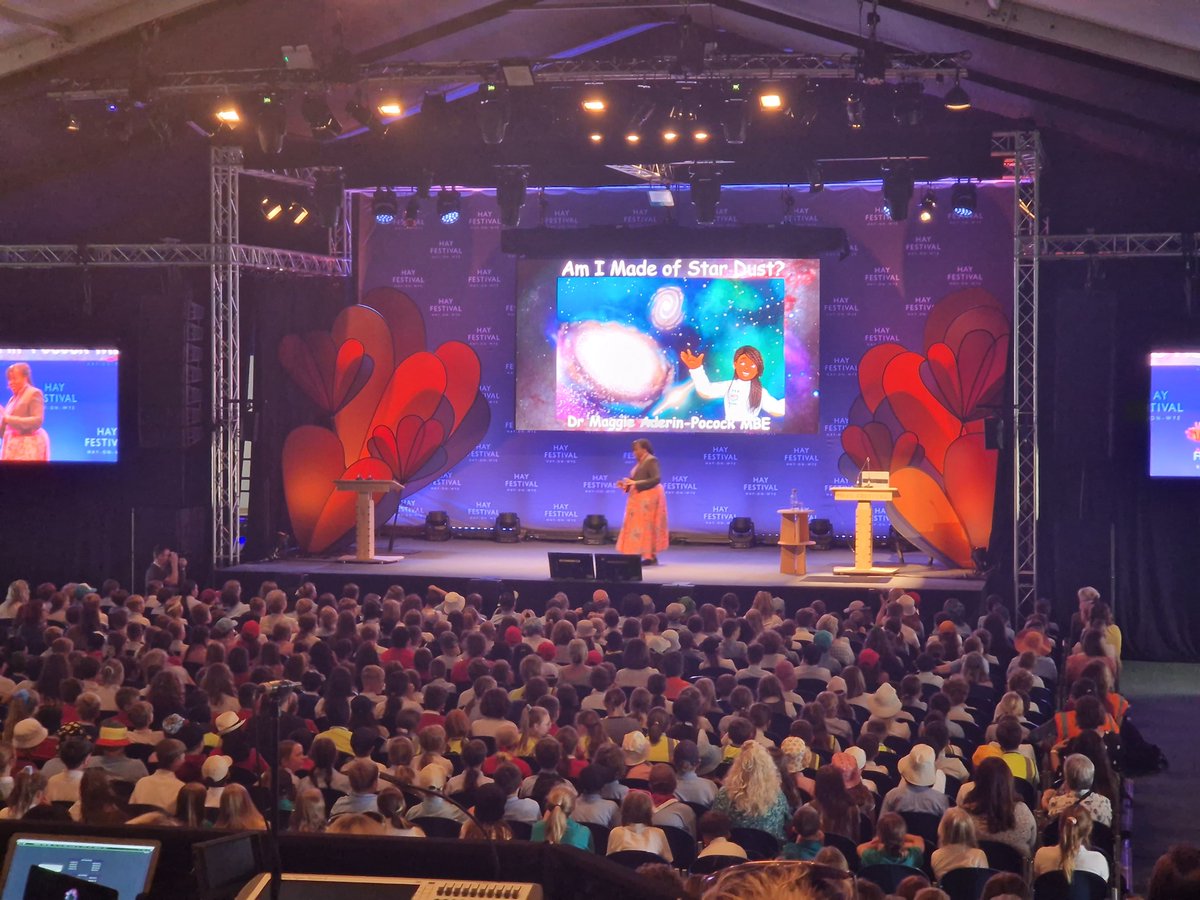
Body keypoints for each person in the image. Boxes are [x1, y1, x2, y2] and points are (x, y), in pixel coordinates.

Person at [710, 741, 790, 843]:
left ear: (737, 766)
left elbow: (715, 824)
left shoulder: (724, 793)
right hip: (769, 852)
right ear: (768, 767)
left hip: (733, 850)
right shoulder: (777, 795)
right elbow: (787, 824)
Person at [680, 344, 784, 421]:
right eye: (743, 362)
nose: (747, 367)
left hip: (752, 437)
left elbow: (776, 409)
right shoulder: (729, 386)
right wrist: (696, 369)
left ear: (758, 369)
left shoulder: (760, 391)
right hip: (730, 433)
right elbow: (706, 391)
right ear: (735, 364)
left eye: (752, 365)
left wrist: (797, 399)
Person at [615, 438, 668, 565]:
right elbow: (635, 480)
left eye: (636, 449)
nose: (634, 452)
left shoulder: (651, 460)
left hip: (648, 501)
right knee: (636, 528)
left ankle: (649, 556)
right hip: (638, 500)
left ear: (644, 449)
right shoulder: (641, 462)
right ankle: (640, 554)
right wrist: (626, 484)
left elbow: (656, 479)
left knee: (645, 527)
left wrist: (635, 483)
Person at [1033, 806, 1109, 884]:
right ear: (1088, 830)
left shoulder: (1041, 855)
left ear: (1060, 827)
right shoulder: (1099, 860)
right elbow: (1101, 893)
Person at [1, 363, 49, 462]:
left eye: (14, 378)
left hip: (28, 448)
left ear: (25, 377)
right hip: (13, 447)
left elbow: (37, 421)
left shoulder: (34, 393)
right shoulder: (13, 399)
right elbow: (5, 428)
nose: (10, 383)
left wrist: (7, 419)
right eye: (9, 379)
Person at [606, 790, 672, 860]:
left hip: (621, 870)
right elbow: (668, 861)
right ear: (649, 812)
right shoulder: (658, 833)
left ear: (624, 811)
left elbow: (610, 862)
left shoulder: (616, 832)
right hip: (649, 870)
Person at [930, 807, 988, 880]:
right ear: (970, 830)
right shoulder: (979, 855)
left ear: (943, 829)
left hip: (945, 891)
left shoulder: (936, 855)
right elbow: (984, 881)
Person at [531, 784, 592, 849]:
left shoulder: (536, 828)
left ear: (548, 806)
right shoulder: (584, 832)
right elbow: (589, 857)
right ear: (573, 807)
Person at [857, 812, 924, 868]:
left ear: (880, 836)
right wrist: (898, 835)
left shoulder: (871, 857)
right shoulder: (913, 855)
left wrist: (880, 839)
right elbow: (918, 839)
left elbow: (860, 847)